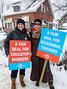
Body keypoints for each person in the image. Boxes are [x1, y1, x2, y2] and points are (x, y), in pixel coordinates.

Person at [4, 19, 30, 89]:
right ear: (17, 25)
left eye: (22, 24)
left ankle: (21, 80)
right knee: (14, 70)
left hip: (23, 57)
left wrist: (29, 52)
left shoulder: (26, 34)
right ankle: (13, 82)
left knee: (22, 69)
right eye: (19, 24)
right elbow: (6, 43)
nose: (20, 25)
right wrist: (7, 53)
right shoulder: (12, 33)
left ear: (24, 25)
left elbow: (29, 44)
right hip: (14, 57)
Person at [30, 19, 55, 89]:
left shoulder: (45, 33)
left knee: (47, 68)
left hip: (44, 54)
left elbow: (52, 41)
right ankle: (38, 79)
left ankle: (50, 81)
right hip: (35, 54)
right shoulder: (31, 34)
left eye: (38, 24)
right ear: (34, 25)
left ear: (40, 25)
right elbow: (30, 44)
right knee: (36, 68)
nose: (37, 25)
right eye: (35, 24)